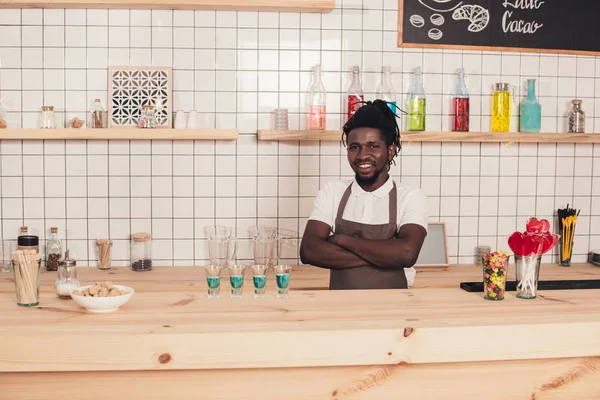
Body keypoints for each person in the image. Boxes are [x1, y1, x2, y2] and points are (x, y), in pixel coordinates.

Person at [299, 100, 428, 290]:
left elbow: (407, 253)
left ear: (390, 151)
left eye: (373, 146)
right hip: (340, 307)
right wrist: (385, 255)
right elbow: (309, 251)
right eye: (354, 147)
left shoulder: (409, 197)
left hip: (395, 306)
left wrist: (344, 240)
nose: (362, 155)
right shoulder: (333, 192)